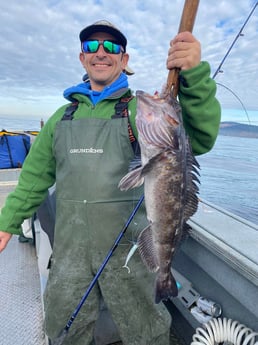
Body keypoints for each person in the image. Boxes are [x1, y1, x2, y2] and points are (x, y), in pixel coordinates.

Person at [0, 20, 221, 345]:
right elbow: (34, 179)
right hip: (70, 253)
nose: (101, 52)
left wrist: (194, 75)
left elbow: (197, 140)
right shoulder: (61, 119)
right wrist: (7, 223)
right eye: (92, 46)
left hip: (129, 254)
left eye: (111, 47)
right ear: (82, 58)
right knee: (65, 328)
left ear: (124, 59)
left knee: (146, 331)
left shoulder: (139, 113)